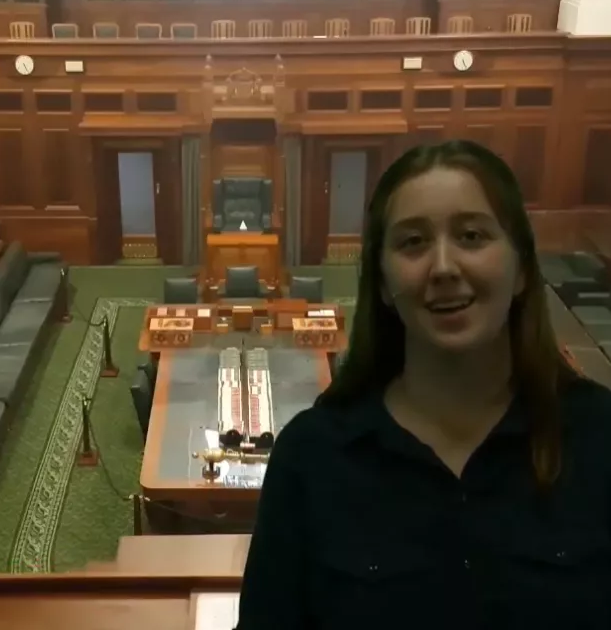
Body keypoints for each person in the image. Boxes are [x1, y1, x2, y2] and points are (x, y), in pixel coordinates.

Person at [236, 140, 611, 630]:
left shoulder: (599, 436)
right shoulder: (312, 457)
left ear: (521, 269)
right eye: (412, 242)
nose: (443, 267)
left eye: (472, 236)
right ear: (384, 284)